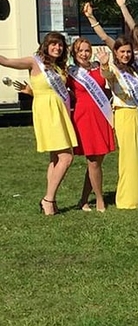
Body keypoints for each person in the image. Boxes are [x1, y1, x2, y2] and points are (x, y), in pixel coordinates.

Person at [0, 32, 77, 215]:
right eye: (53, 44)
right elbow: (6, 61)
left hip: (59, 112)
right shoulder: (34, 62)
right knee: (66, 157)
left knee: (56, 158)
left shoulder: (59, 67)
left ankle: (51, 200)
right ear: (46, 45)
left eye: (60, 45)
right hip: (47, 113)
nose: (57, 48)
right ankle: (48, 200)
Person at [98, 38, 138, 209]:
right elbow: (106, 75)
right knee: (129, 157)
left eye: (128, 51)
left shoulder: (132, 70)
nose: (126, 55)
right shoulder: (113, 69)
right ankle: (128, 199)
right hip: (124, 113)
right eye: (122, 52)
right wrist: (104, 64)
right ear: (116, 53)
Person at [67, 38, 116, 212]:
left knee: (97, 161)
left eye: (87, 50)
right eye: (80, 51)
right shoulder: (71, 72)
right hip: (84, 118)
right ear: (74, 53)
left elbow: (107, 80)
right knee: (93, 161)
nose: (84, 54)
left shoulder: (97, 67)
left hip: (101, 115)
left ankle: (83, 200)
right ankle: (100, 199)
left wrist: (104, 64)